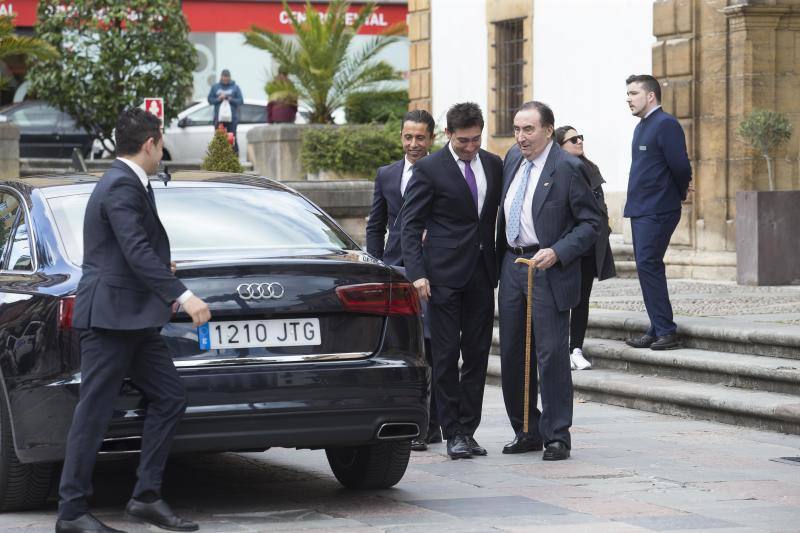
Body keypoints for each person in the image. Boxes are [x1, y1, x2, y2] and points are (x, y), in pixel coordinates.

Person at [56, 108, 211, 533]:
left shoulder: (128, 182)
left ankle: (145, 496)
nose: (162, 151)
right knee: (94, 413)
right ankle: (70, 513)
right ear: (151, 144)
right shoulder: (121, 185)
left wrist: (164, 266)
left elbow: (134, 249)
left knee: (169, 397)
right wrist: (183, 294)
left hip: (134, 321)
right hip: (109, 319)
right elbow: (134, 250)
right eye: (161, 143)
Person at [496, 101, 602, 460]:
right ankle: (525, 428)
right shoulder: (512, 159)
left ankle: (557, 434)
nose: (521, 137)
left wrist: (558, 251)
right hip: (513, 265)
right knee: (513, 352)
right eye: (516, 129)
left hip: (548, 267)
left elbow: (592, 224)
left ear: (547, 130)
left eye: (528, 130)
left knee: (551, 353)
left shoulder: (569, 168)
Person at [401, 102, 502, 460]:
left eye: (476, 139)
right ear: (448, 134)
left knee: (476, 356)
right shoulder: (429, 169)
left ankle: (468, 430)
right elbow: (409, 226)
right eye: (463, 141)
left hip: (481, 274)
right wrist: (417, 274)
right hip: (441, 277)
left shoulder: (493, 163)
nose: (471, 147)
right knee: (445, 356)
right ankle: (451, 431)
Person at [365, 109, 441, 451]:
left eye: (420, 137)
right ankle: (409, 421)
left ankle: (432, 424)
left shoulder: (443, 172)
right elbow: (375, 224)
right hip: (394, 268)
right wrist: (375, 264)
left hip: (431, 271)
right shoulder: (386, 174)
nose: (414, 144)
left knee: (430, 346)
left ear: (431, 138)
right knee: (401, 348)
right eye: (408, 137)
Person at [624, 74, 692, 351]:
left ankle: (666, 330)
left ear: (650, 95)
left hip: (658, 209)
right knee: (646, 267)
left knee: (648, 264)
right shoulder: (642, 126)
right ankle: (656, 327)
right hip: (642, 209)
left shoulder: (666, 124)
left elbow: (680, 166)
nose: (628, 99)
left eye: (633, 93)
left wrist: (677, 193)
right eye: (627, 94)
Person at [554, 126, 616, 371]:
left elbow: (599, 207)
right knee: (562, 299)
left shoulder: (590, 169)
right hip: (566, 246)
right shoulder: (557, 170)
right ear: (560, 146)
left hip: (589, 246)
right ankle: (560, 348)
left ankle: (575, 348)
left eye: (581, 137)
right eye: (572, 139)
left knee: (582, 299)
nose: (579, 141)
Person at [207, 69, 244, 154]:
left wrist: (230, 99)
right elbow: (209, 100)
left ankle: (234, 157)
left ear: (230, 77)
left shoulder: (235, 87)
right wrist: (218, 99)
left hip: (232, 119)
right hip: (219, 118)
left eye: (227, 77)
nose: (226, 79)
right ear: (221, 77)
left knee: (232, 138)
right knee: (219, 138)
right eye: (224, 77)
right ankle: (219, 157)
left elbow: (241, 101)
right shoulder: (215, 87)